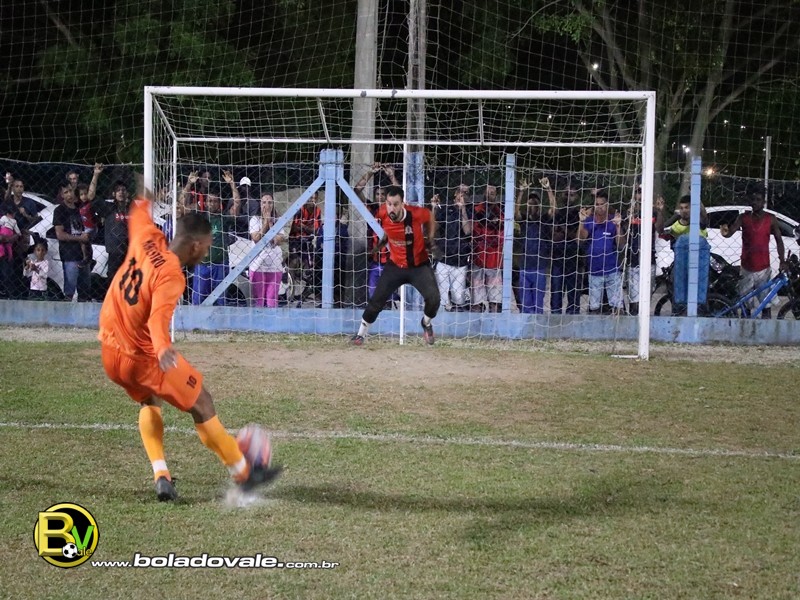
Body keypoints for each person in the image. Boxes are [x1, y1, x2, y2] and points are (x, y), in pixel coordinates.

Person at [98, 196, 282, 501]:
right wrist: (161, 349)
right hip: (141, 357)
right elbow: (158, 319)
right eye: (207, 247)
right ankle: (245, 474)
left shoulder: (147, 237)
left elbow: (139, 212)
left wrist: (144, 196)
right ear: (195, 246)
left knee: (149, 399)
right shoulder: (172, 273)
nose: (207, 253)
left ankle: (161, 474)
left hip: (108, 349)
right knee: (202, 402)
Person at [350, 185, 440, 345]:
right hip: (395, 266)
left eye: (396, 204)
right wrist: (380, 245)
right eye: (389, 204)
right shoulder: (382, 212)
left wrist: (430, 240)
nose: (391, 208)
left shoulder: (415, 213)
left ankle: (426, 323)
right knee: (376, 300)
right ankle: (360, 335)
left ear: (402, 204)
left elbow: (430, 217)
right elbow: (388, 229)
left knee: (434, 299)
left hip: (419, 266)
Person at [720, 187, 786, 318]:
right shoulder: (743, 217)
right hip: (746, 266)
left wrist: (782, 260)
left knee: (765, 303)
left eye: (758, 199)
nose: (755, 202)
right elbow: (730, 232)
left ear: (763, 202)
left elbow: (779, 241)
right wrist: (725, 230)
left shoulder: (771, 219)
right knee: (745, 303)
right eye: (753, 199)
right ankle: (746, 326)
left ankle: (765, 327)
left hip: (764, 268)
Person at [661, 195, 710, 315]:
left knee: (700, 287)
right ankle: (678, 310)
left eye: (687, 207)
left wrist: (696, 197)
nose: (684, 210)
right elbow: (663, 229)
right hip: (682, 261)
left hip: (699, 260)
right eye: (682, 208)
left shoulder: (698, 221)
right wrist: (661, 211)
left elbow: (704, 217)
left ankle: (702, 309)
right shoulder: (676, 222)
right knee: (676, 285)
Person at [579, 189, 625, 314]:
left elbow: (621, 244)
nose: (599, 207)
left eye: (602, 204)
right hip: (594, 271)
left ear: (607, 205)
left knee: (617, 308)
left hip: (612, 270)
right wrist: (581, 222)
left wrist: (618, 226)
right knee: (594, 309)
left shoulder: (613, 221)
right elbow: (580, 239)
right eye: (597, 204)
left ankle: (618, 325)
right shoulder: (589, 221)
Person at [621, 187, 665, 315]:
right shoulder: (628, 212)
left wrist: (659, 211)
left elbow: (660, 229)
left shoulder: (654, 212)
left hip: (649, 260)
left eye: (643, 192)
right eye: (638, 192)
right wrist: (628, 218)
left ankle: (644, 323)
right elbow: (623, 235)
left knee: (645, 301)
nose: (640, 195)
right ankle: (633, 322)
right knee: (634, 302)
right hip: (633, 260)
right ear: (634, 195)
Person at [516, 178, 557, 313]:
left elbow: (553, 209)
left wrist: (548, 189)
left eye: (535, 202)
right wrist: (521, 192)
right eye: (530, 202)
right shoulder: (523, 219)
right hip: (524, 267)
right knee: (525, 304)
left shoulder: (544, 219)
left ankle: (537, 326)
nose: (532, 204)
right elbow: (515, 212)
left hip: (540, 268)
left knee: (538, 304)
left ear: (540, 204)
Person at [431, 184, 472, 311]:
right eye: (460, 191)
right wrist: (434, 209)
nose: (462, 194)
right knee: (442, 298)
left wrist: (463, 209)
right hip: (443, 259)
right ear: (455, 193)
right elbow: (432, 228)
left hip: (461, 261)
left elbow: (467, 231)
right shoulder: (445, 209)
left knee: (458, 298)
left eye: (466, 193)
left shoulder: (470, 210)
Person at [53, 185, 91, 301]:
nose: (69, 194)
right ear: (62, 195)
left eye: (71, 191)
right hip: (70, 254)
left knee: (85, 291)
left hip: (84, 254)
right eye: (66, 192)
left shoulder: (80, 208)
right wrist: (80, 238)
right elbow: (60, 235)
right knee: (70, 290)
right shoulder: (59, 210)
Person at [470, 184, 504, 312]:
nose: (489, 195)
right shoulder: (476, 209)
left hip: (494, 259)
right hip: (478, 258)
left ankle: (493, 321)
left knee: (494, 301)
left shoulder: (500, 212)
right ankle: (476, 321)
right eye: (488, 192)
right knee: (476, 301)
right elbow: (475, 231)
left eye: (492, 193)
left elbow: (500, 234)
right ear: (484, 193)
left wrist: (494, 224)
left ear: (496, 196)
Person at [249, 193, 287, 308]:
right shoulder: (255, 220)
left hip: (274, 265)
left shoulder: (278, 220)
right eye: (264, 202)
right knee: (259, 301)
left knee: (272, 301)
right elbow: (256, 239)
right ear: (260, 204)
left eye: (270, 202)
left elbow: (277, 240)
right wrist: (265, 222)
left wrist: (270, 223)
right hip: (258, 265)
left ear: (273, 204)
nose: (267, 205)